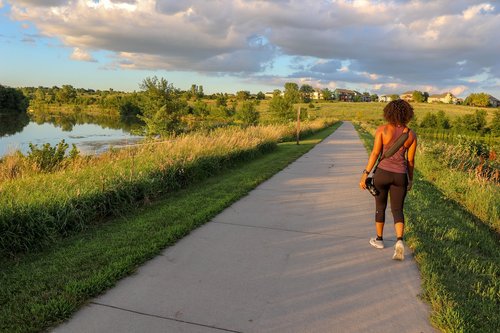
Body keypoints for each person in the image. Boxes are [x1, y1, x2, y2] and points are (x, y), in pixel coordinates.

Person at [359, 99, 417, 260]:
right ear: (407, 114)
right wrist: (410, 179)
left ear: (388, 113)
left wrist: (365, 174)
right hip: (400, 176)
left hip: (382, 174)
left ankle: (379, 240)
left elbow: (375, 154)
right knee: (397, 210)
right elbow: (410, 161)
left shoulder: (382, 130)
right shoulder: (411, 134)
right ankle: (399, 241)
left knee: (380, 206)